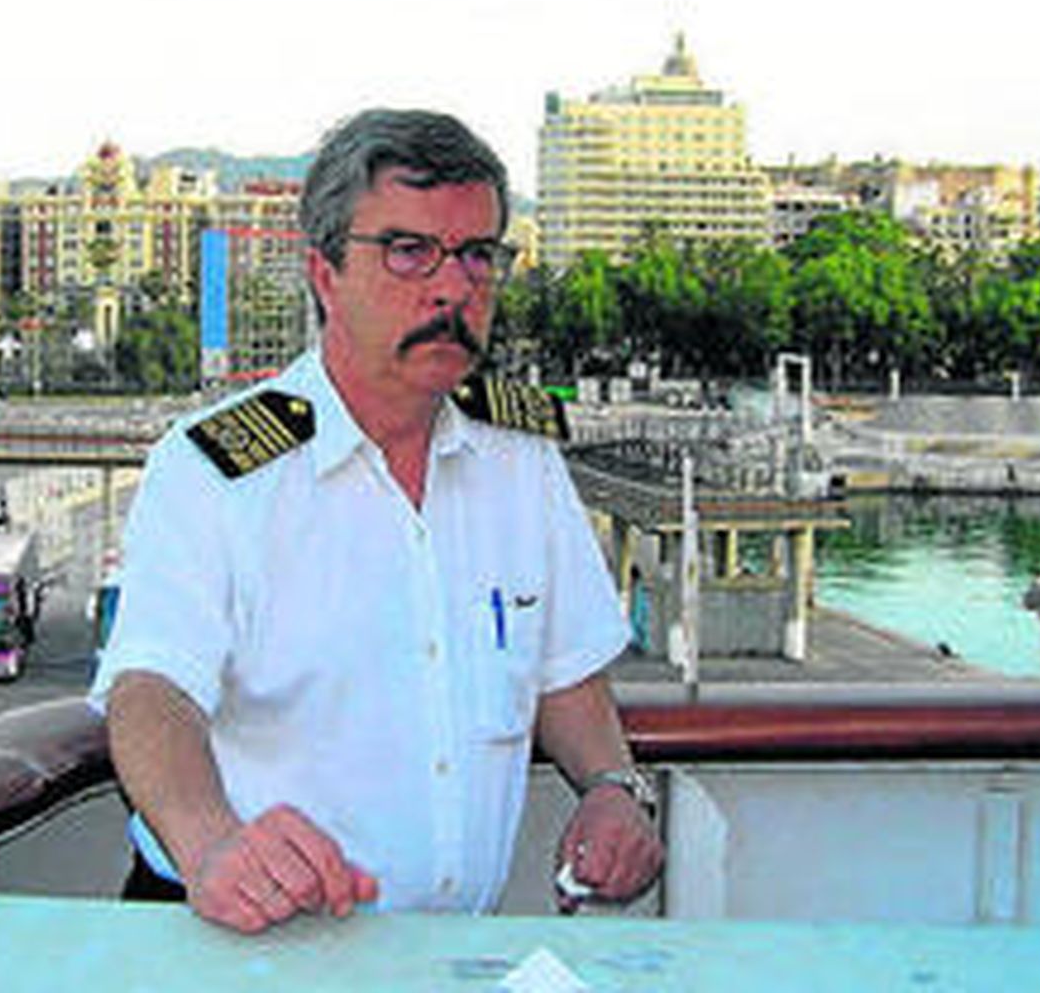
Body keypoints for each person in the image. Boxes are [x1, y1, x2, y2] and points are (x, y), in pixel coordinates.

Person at [91, 108, 663, 934]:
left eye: (476, 255)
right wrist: (212, 845)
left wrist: (613, 787)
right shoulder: (217, 469)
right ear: (325, 274)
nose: (452, 287)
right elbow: (150, 690)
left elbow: (564, 671)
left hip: (452, 952)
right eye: (408, 251)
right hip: (245, 942)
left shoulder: (521, 459)